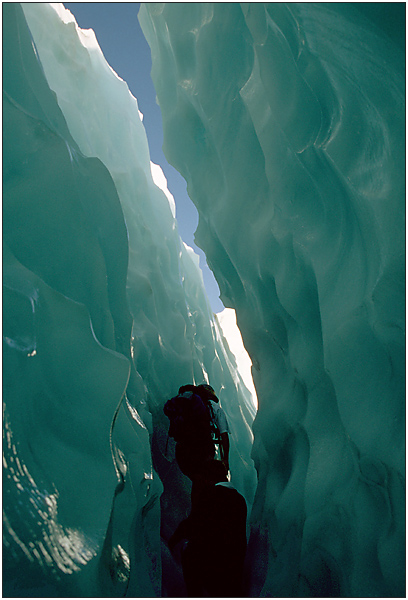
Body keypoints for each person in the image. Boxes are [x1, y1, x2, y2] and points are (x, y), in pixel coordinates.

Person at [169, 459, 247, 597]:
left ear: (209, 477)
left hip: (213, 565)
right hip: (234, 566)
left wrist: (173, 541)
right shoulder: (240, 499)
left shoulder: (211, 495)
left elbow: (194, 523)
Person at [164, 383, 230, 481]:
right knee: (206, 480)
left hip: (182, 449)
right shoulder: (214, 407)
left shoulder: (185, 402)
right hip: (202, 447)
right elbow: (224, 435)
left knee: (196, 479)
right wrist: (225, 459)